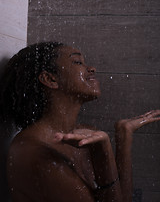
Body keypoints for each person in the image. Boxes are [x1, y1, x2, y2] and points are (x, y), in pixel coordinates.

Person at [1, 42, 160, 202]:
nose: (92, 69)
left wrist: (124, 135)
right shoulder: (33, 153)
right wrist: (104, 154)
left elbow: (121, 198)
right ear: (50, 79)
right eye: (78, 62)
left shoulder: (85, 134)